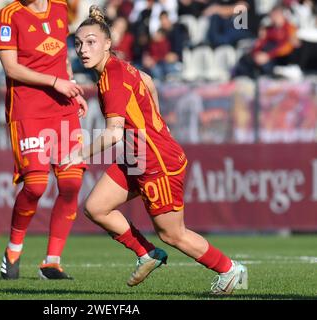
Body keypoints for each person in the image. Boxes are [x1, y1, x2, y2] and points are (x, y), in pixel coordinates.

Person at [61, 5, 248, 294]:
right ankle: (147, 253)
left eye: (90, 43)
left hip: (156, 162)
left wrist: (78, 154)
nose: (83, 50)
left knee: (172, 234)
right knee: (96, 207)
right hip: (136, 157)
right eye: (78, 44)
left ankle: (229, 269)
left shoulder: (111, 77)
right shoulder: (115, 67)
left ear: (107, 44)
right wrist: (159, 119)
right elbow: (148, 81)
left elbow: (112, 134)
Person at [0, 0, 88, 280]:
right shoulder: (9, 15)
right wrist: (54, 82)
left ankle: (52, 262)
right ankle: (13, 250)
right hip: (28, 110)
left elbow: (62, 56)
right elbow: (11, 69)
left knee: (71, 182)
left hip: (62, 108)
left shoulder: (60, 7)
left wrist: (71, 88)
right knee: (35, 186)